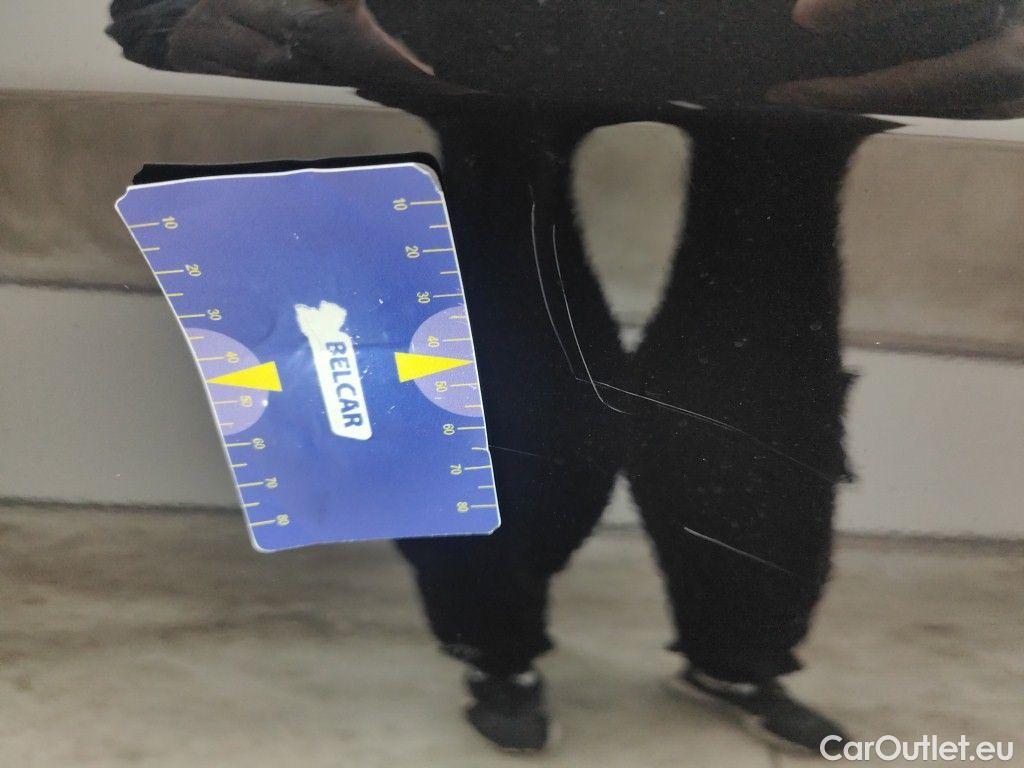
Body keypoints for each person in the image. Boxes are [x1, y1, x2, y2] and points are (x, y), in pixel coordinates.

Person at [107, 0, 1022, 754]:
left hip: (761, 55)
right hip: (500, 46)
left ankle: (734, 656)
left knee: (751, 401)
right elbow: (149, 16)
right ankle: (498, 650)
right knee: (511, 391)